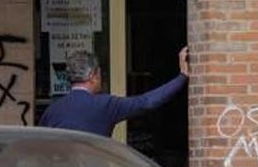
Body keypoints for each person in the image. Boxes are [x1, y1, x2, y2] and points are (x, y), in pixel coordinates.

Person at [38, 48, 189, 137]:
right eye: (100, 74)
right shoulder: (105, 105)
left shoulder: (52, 111)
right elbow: (146, 102)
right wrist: (182, 77)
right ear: (92, 76)